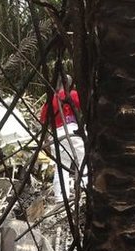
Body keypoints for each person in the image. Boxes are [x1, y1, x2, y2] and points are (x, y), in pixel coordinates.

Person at [39, 74, 86, 203]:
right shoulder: (74, 95)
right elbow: (86, 108)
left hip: (57, 134)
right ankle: (85, 188)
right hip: (73, 130)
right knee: (83, 160)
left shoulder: (50, 100)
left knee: (61, 165)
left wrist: (46, 140)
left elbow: (43, 121)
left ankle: (60, 196)